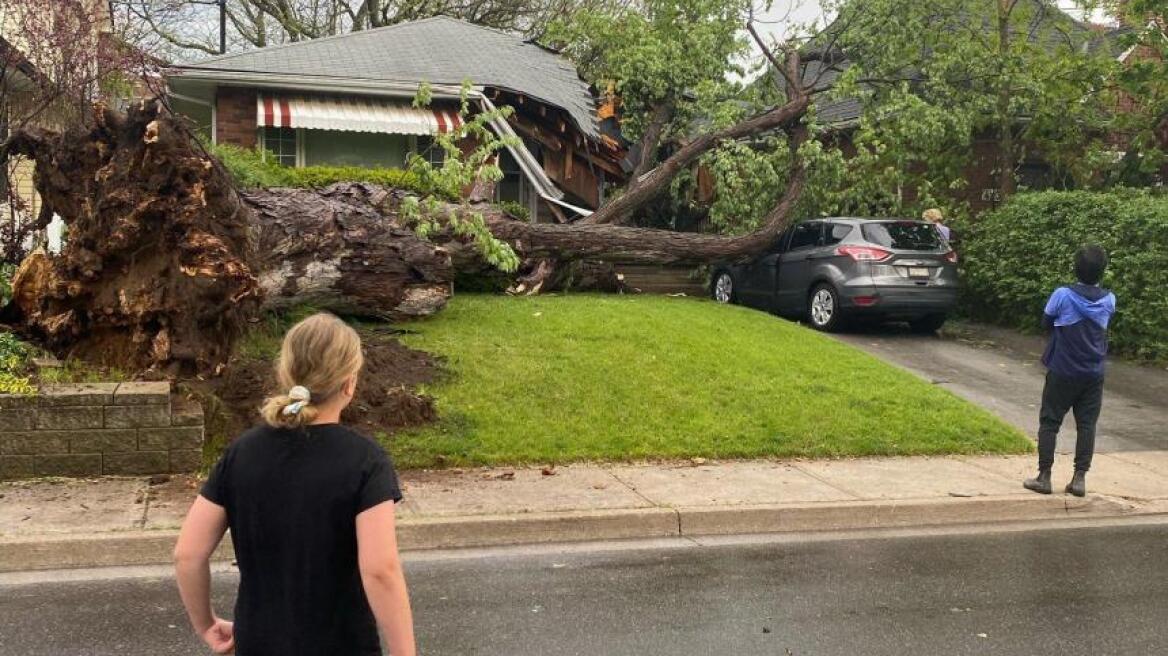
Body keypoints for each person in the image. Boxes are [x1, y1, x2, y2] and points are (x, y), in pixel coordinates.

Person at [174, 313, 416, 656]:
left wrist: (207, 625)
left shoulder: (242, 453)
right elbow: (380, 571)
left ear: (286, 374)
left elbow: (187, 555)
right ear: (349, 383)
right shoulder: (365, 461)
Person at [1023, 245, 1116, 498]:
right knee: (1087, 425)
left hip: (1063, 368)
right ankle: (1079, 479)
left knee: (1050, 421)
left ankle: (1044, 476)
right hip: (1093, 372)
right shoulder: (1109, 299)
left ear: (1075, 267)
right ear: (1102, 271)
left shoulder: (1062, 295)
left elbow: (1046, 322)